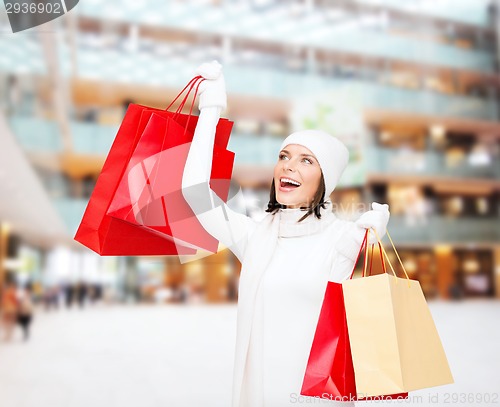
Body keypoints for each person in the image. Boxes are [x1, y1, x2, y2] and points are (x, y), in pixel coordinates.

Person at [181, 61, 390, 407]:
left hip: (318, 397)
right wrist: (211, 108)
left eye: (307, 160)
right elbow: (194, 193)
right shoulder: (254, 236)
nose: (289, 166)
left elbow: (360, 316)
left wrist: (367, 243)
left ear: (326, 181)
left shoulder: (342, 239)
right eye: (284, 156)